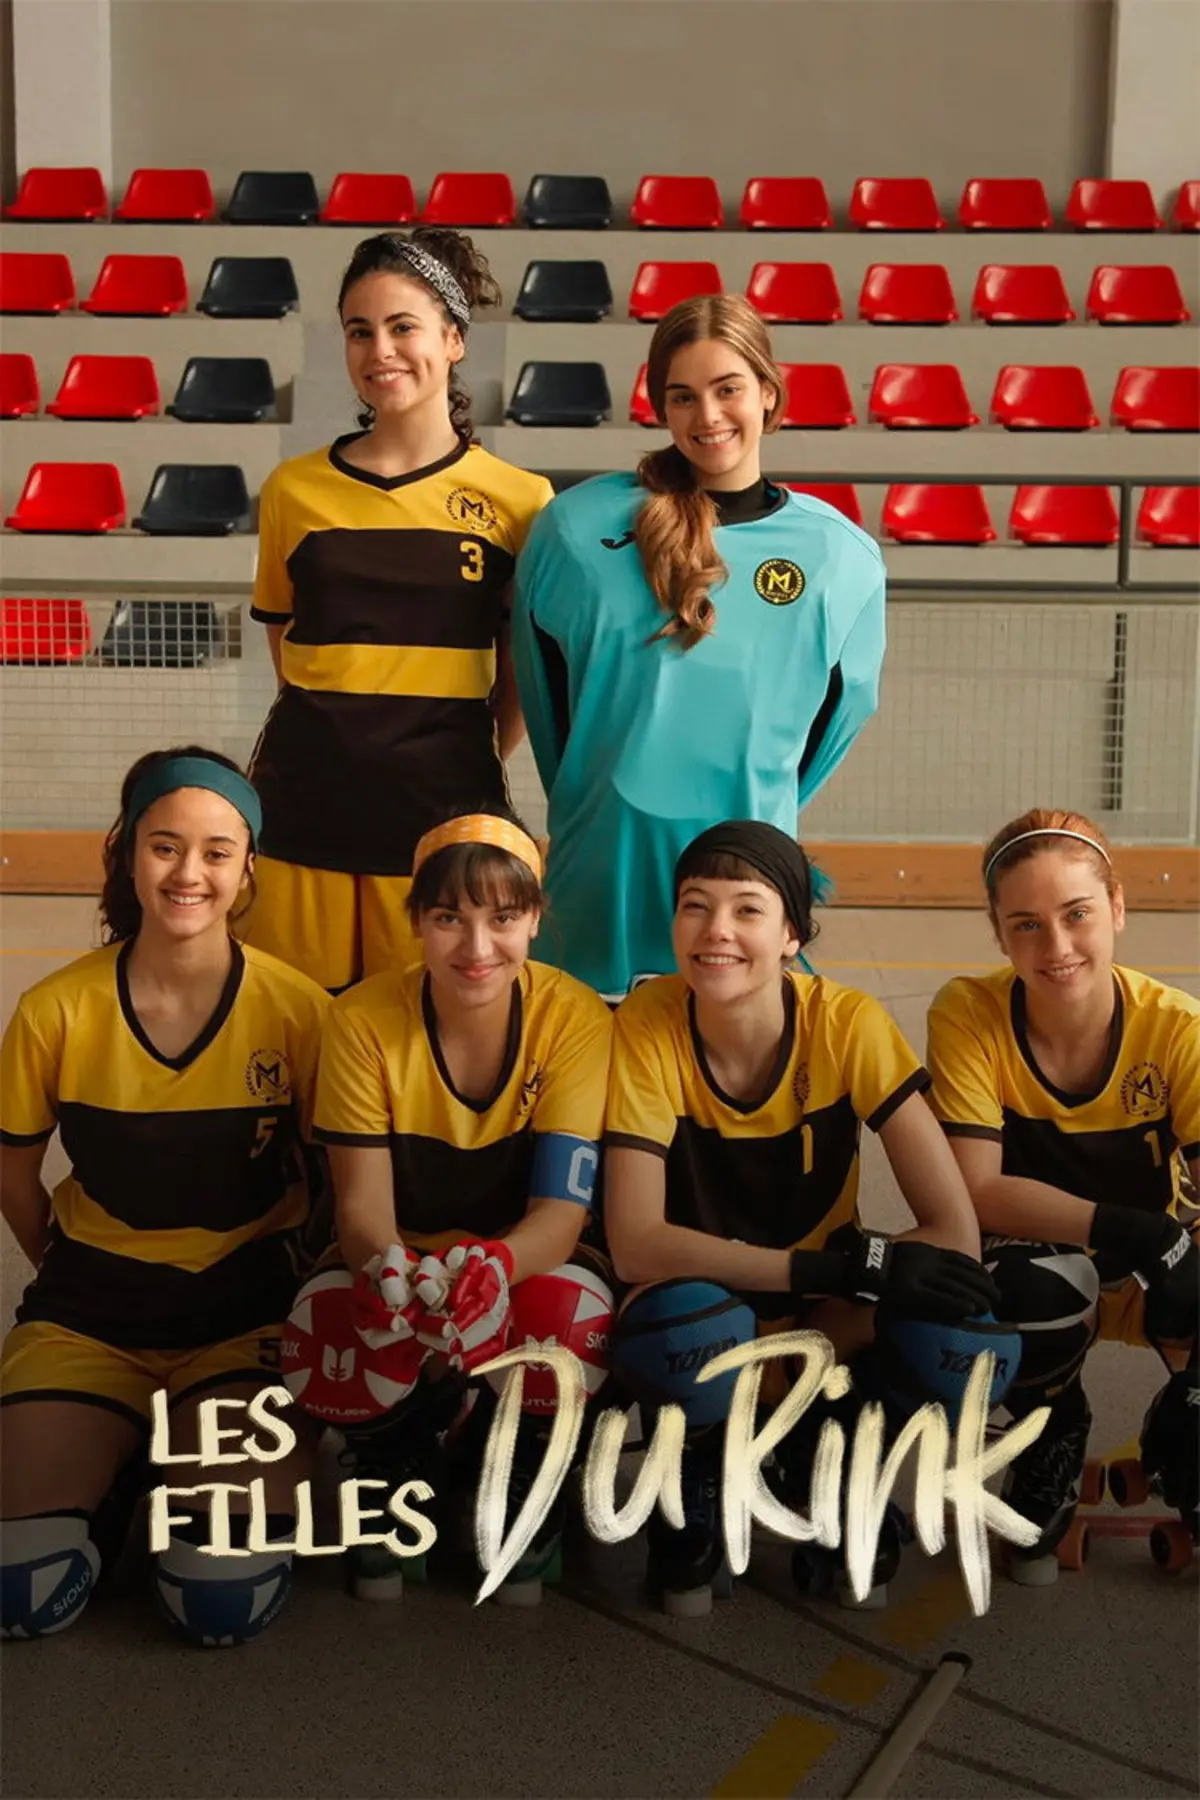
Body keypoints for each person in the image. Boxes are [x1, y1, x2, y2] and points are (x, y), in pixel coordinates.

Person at [603, 821, 1002, 1616]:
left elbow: (953, 1230)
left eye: (747, 910)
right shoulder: (645, 1024)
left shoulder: (847, 1024)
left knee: (965, 1332)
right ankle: (702, 1465)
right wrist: (826, 1271)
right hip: (706, 1308)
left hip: (825, 1317)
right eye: (695, 906)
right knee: (679, 1326)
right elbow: (637, 1243)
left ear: (792, 935)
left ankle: (846, 1450)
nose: (716, 930)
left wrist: (835, 1314)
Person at [0, 749, 328, 1645]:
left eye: (218, 852)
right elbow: (14, 1175)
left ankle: (170, 1469)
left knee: (218, 1595)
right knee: (20, 1586)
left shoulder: (299, 1012)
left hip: (241, 1318)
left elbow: (329, 1182)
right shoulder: (55, 1010)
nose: (190, 873)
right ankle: (117, 1470)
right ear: (125, 852)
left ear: (248, 866)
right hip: (91, 1316)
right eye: (165, 846)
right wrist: (70, 1269)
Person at [511, 294, 887, 1000]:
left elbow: (838, 719)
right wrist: (600, 793)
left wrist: (758, 801)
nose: (707, 416)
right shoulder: (576, 528)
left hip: (745, 875)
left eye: (727, 389)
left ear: (768, 392)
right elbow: (545, 694)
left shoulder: (839, 555)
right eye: (683, 396)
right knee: (588, 1060)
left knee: (730, 1061)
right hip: (603, 871)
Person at [294, 808, 613, 1603]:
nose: (476, 947)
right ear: (416, 922)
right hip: (406, 1253)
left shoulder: (574, 1018)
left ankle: (522, 1464)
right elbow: (360, 1208)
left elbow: (561, 1215)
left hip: (522, 1259)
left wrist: (492, 1268)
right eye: (448, 918)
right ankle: (396, 1456)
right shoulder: (361, 1018)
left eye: (502, 918)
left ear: (535, 919)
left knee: (568, 1317)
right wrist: (392, 1273)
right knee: (330, 1317)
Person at [244, 230, 554, 992]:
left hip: (442, 809)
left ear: (453, 339)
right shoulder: (293, 490)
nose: (379, 350)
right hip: (303, 806)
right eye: (360, 331)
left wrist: (459, 749)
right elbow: (286, 644)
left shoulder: (521, 500)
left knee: (422, 1025)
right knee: (294, 1022)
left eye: (402, 326)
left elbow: (520, 672)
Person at [927, 807, 1199, 1583]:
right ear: (998, 933)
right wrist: (1137, 1229)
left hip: (1155, 1275)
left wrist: (1177, 1256)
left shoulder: (1177, 1029)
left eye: (1076, 914)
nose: (1056, 947)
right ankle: (1053, 1428)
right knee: (1028, 1287)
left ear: (1117, 906)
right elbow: (976, 1190)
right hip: (1040, 1266)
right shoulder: (968, 1014)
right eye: (1027, 925)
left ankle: (1181, 1434)